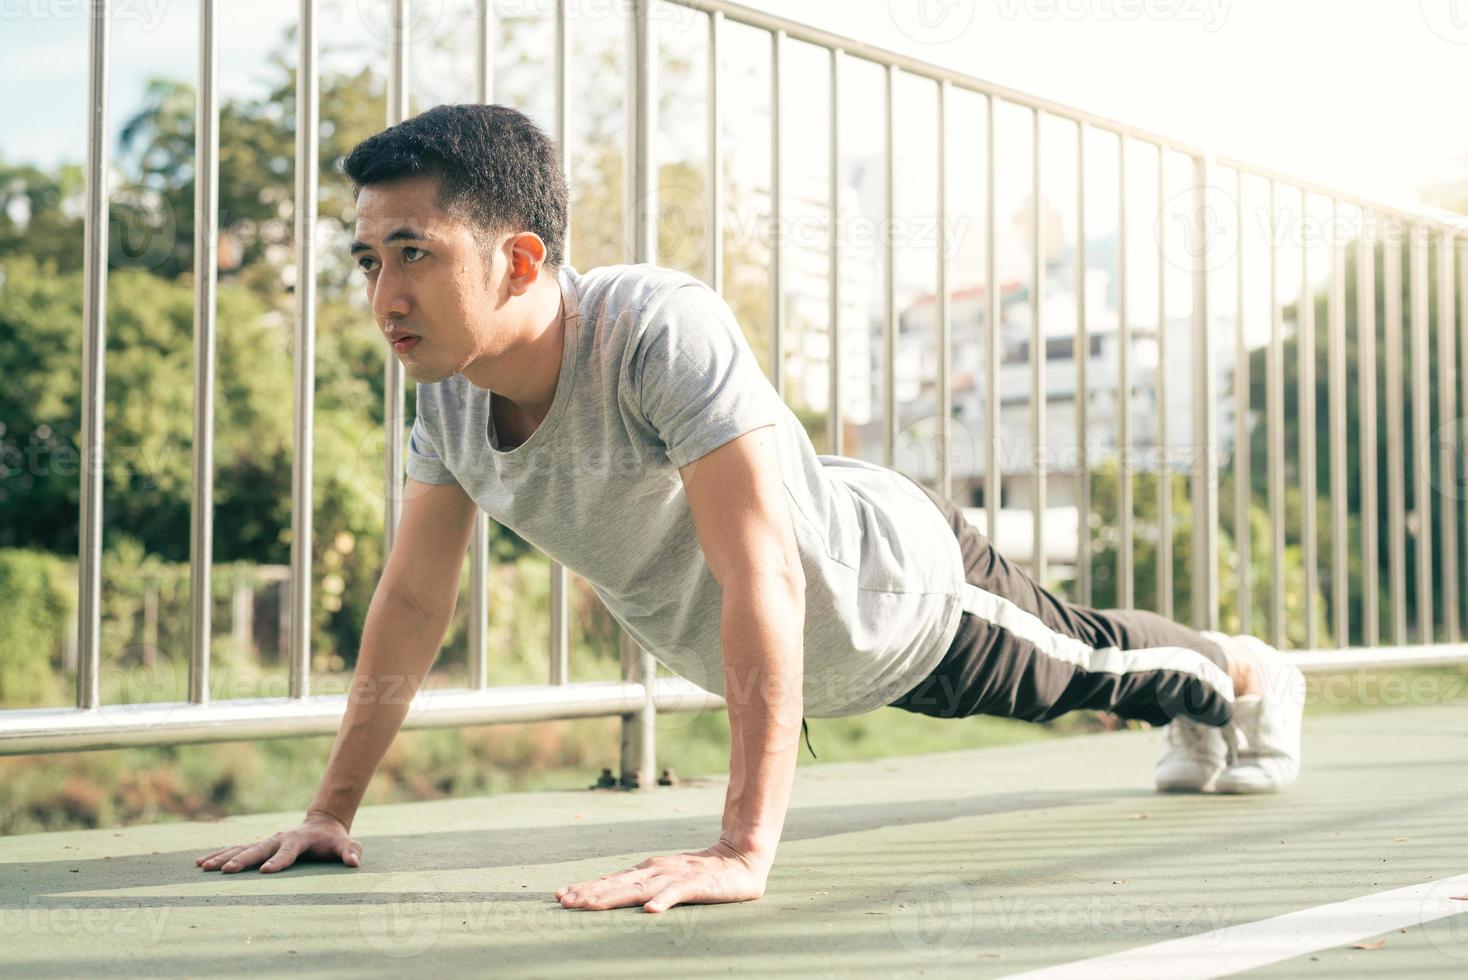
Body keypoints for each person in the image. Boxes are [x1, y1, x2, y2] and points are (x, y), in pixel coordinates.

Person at [194, 103, 1306, 913]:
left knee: (1091, 667)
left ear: (522, 258)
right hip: (806, 646)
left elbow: (761, 569)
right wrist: (331, 809)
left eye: (413, 254)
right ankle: (1218, 690)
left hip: (893, 592)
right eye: (366, 259)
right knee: (1089, 671)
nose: (383, 294)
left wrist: (742, 847)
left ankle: (1247, 675)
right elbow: (410, 597)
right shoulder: (443, 399)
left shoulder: (650, 326)